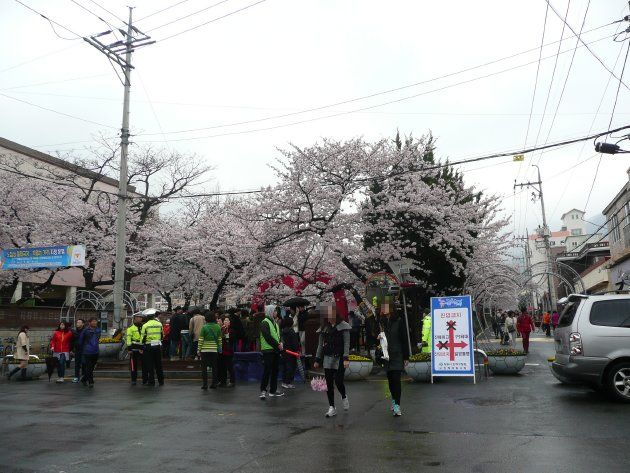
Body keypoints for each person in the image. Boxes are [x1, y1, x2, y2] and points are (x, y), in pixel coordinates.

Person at [314, 302, 351, 418]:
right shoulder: (324, 328)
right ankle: (332, 407)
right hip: (327, 357)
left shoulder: (343, 326)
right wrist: (317, 359)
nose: (329, 318)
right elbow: (320, 345)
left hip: (340, 357)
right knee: (329, 384)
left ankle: (344, 396)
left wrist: (346, 358)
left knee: (339, 381)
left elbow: (346, 343)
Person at [381, 304, 410, 417]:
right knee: (390, 380)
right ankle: (393, 400)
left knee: (396, 380)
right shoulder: (382, 322)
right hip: (386, 355)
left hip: (397, 354)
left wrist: (406, 356)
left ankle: (397, 405)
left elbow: (404, 339)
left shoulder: (399, 321)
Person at [259, 305, 285, 400]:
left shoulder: (275, 323)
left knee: (275, 370)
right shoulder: (264, 322)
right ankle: (263, 390)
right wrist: (277, 345)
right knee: (267, 370)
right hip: (268, 350)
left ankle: (272, 390)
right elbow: (267, 337)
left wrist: (281, 342)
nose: (276, 313)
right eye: (274, 311)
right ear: (270, 312)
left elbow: (279, 335)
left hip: (275, 350)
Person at [198, 311, 222, 390]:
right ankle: (214, 384)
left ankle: (205, 384)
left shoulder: (204, 327)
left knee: (204, 368)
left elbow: (201, 339)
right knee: (214, 367)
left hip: (205, 350)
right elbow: (219, 339)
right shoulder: (218, 327)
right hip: (214, 350)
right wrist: (220, 348)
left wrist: (199, 349)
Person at [141, 310, 164, 387]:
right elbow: (162, 335)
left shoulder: (145, 325)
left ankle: (151, 381)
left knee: (150, 364)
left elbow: (143, 337)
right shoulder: (159, 324)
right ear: (154, 316)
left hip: (148, 346)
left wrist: (142, 346)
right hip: (157, 345)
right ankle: (161, 381)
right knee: (158, 364)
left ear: (147, 317)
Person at [78, 318, 101, 387]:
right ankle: (91, 382)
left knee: (92, 367)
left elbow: (98, 339)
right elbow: (80, 341)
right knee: (89, 367)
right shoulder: (85, 330)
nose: (94, 323)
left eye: (95, 321)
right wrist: (82, 349)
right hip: (87, 352)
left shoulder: (98, 330)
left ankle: (84, 379)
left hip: (96, 351)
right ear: (89, 323)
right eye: (93, 321)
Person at [126, 313, 145, 385]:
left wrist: (143, 348)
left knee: (144, 365)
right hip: (134, 349)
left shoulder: (143, 327)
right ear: (134, 319)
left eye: (140, 317)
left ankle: (144, 379)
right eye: (138, 317)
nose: (139, 319)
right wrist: (129, 349)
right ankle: (133, 380)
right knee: (133, 366)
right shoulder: (130, 328)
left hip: (142, 348)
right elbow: (128, 339)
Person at [281, 317, 300, 389]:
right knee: (291, 368)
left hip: (284, 352)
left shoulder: (282, 332)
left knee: (285, 368)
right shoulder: (292, 332)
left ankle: (284, 382)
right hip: (291, 353)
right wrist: (297, 350)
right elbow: (295, 343)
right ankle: (288, 382)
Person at [218, 316, 235, 387]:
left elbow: (231, 339)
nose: (225, 321)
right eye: (224, 320)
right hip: (222, 350)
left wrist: (226, 332)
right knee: (222, 367)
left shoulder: (232, 330)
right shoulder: (221, 329)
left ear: (230, 322)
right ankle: (222, 381)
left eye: (227, 320)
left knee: (230, 366)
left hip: (229, 351)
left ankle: (232, 381)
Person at [71, 319, 85, 383]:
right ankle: (76, 377)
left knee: (84, 364)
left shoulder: (85, 331)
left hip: (84, 350)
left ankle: (84, 376)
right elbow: (72, 341)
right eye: (77, 322)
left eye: (79, 322)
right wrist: (72, 349)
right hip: (77, 350)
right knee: (77, 364)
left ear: (83, 324)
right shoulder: (75, 331)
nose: (77, 323)